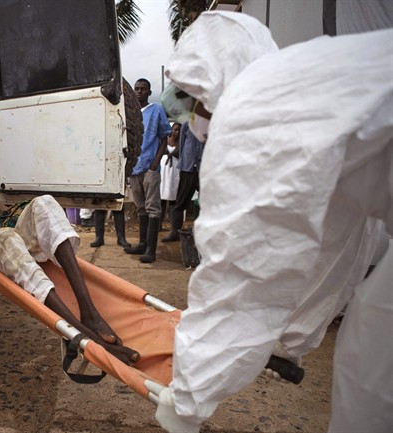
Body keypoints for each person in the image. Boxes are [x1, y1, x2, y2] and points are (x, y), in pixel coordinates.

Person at [153, 10, 392, 433]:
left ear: (216, 77)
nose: (192, 113)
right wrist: (288, 338)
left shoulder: (257, 107)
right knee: (373, 343)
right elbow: (341, 239)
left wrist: (187, 399)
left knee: (374, 376)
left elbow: (240, 272)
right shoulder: (304, 81)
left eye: (194, 97)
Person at [0, 146, 140, 365]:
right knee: (5, 235)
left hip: (7, 236)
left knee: (44, 202)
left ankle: (89, 311)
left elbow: (16, 219)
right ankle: (85, 335)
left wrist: (36, 223)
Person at [124, 78, 172, 263]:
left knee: (153, 207)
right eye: (136, 89)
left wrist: (155, 163)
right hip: (135, 168)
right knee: (141, 207)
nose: (138, 91)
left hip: (150, 167)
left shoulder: (157, 110)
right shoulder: (131, 113)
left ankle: (151, 249)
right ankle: (142, 244)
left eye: (143, 89)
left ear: (149, 92)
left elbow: (164, 138)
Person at [161, 105, 206, 242]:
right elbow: (182, 146)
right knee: (180, 202)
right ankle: (175, 232)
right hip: (188, 168)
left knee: (208, 201)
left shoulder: (209, 124)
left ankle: (204, 232)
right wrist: (183, 162)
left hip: (203, 168)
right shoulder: (187, 124)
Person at [159, 123, 181, 234]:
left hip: (174, 173)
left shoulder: (181, 144)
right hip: (163, 172)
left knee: (173, 199)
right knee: (160, 200)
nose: (176, 132)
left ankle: (174, 229)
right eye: (175, 130)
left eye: (179, 131)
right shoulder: (164, 140)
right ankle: (158, 225)